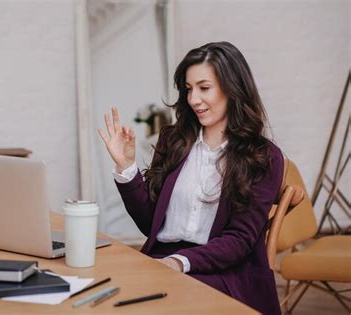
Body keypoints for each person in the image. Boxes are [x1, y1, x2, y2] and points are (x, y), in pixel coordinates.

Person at [98, 41, 283, 315]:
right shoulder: (174, 141)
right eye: (188, 89)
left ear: (233, 88)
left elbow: (239, 241)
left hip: (225, 274)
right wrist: (126, 166)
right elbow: (151, 223)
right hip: (163, 262)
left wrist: (178, 262)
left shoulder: (262, 156)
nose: (193, 99)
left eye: (204, 88)